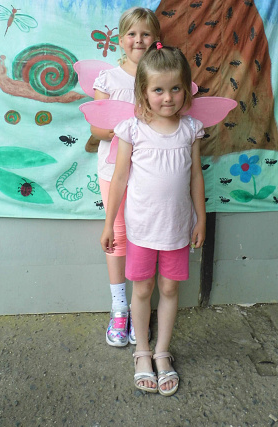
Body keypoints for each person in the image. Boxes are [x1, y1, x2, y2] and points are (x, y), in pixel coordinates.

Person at [100, 42, 206, 396]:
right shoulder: (132, 130)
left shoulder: (191, 129)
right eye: (158, 90)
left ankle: (162, 352)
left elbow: (196, 177)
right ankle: (142, 352)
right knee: (143, 289)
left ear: (185, 89)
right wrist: (109, 224)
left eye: (175, 88)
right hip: (142, 230)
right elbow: (119, 179)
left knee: (170, 289)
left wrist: (201, 219)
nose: (168, 97)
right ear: (143, 92)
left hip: (177, 229)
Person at [91, 8, 160, 348]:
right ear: (121, 40)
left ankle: (139, 307)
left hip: (151, 172)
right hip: (113, 172)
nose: (138, 40)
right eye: (132, 34)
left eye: (145, 34)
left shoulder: (160, 76)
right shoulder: (108, 79)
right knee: (118, 235)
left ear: (155, 39)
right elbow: (97, 129)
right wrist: (128, 129)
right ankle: (120, 308)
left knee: (145, 235)